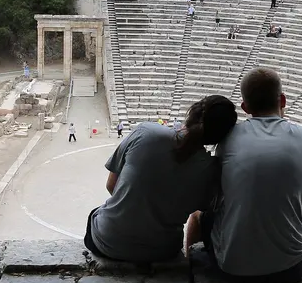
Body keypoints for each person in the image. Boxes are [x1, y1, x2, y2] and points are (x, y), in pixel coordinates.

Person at [186, 69, 302, 283]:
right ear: (283, 100)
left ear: (245, 107)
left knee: (198, 216)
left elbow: (218, 195)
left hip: (231, 269)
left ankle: (187, 267)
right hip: (294, 268)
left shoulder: (228, 139)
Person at [86, 95, 237, 264]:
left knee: (96, 214)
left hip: (108, 241)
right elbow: (201, 212)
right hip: (163, 250)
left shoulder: (146, 132)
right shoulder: (211, 169)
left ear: (191, 114)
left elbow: (111, 185)